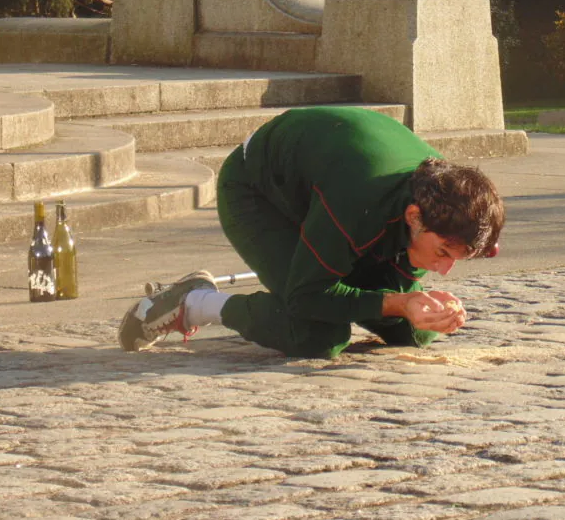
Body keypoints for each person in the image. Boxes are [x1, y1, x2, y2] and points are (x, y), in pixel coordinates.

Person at [118, 106, 505, 359]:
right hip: (258, 193)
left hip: (332, 194)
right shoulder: (360, 200)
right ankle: (194, 302)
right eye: (442, 254)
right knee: (315, 335)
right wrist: (399, 301)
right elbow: (310, 297)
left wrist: (415, 307)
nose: (444, 271)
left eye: (456, 259)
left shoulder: (435, 198)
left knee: (415, 331)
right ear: (414, 217)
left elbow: (399, 305)